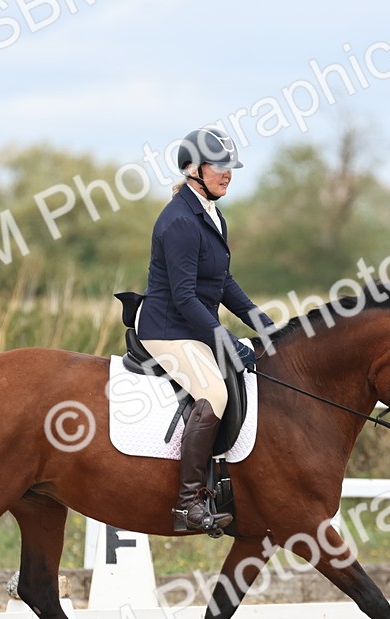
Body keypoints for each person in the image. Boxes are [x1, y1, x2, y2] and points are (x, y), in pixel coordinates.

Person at [135, 126, 274, 533]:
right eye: (220, 166)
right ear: (193, 169)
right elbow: (183, 296)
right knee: (214, 392)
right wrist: (225, 340)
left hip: (190, 325)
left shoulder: (211, 213)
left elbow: (221, 280)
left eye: (232, 166)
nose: (228, 173)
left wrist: (256, 318)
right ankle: (188, 503)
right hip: (166, 328)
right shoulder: (179, 221)